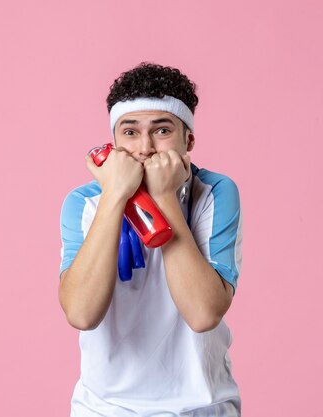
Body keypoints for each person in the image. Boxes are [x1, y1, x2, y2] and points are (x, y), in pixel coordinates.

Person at [58, 62, 243, 416]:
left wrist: (165, 198)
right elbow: (81, 313)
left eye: (161, 130)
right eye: (129, 132)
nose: (144, 148)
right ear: (113, 143)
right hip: (104, 408)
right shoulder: (83, 203)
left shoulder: (215, 193)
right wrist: (114, 195)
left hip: (201, 407)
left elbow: (203, 313)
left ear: (188, 140)